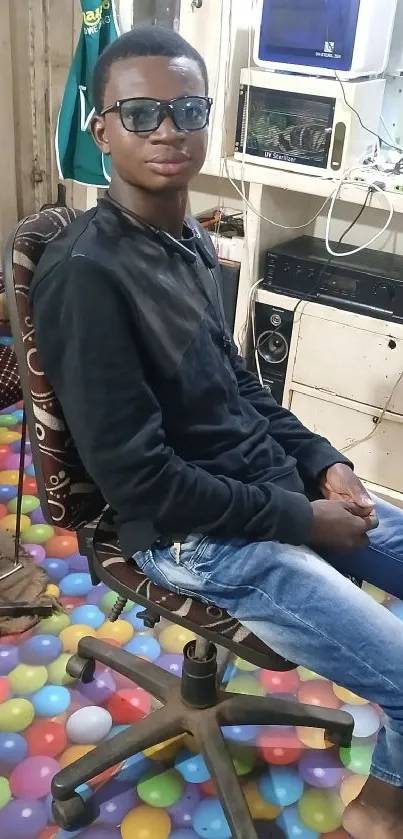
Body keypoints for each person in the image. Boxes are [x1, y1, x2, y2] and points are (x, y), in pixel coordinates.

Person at [30, 25, 403, 839]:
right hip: (190, 533)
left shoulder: (191, 238)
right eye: (141, 112)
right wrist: (304, 520)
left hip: (260, 481)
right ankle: (375, 816)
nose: (167, 128)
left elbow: (237, 384)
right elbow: (141, 483)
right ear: (102, 129)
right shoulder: (87, 277)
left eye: (187, 109)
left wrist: (322, 463)